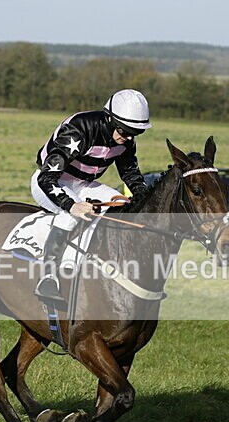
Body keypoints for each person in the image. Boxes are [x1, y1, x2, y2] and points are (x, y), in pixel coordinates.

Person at [31, 89, 152, 302]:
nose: (129, 138)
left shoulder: (126, 139)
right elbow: (46, 177)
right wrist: (71, 205)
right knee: (71, 214)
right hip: (50, 181)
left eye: (135, 133)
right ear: (109, 119)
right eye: (124, 131)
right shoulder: (79, 129)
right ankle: (48, 278)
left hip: (84, 184)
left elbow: (130, 172)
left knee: (122, 205)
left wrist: (143, 197)